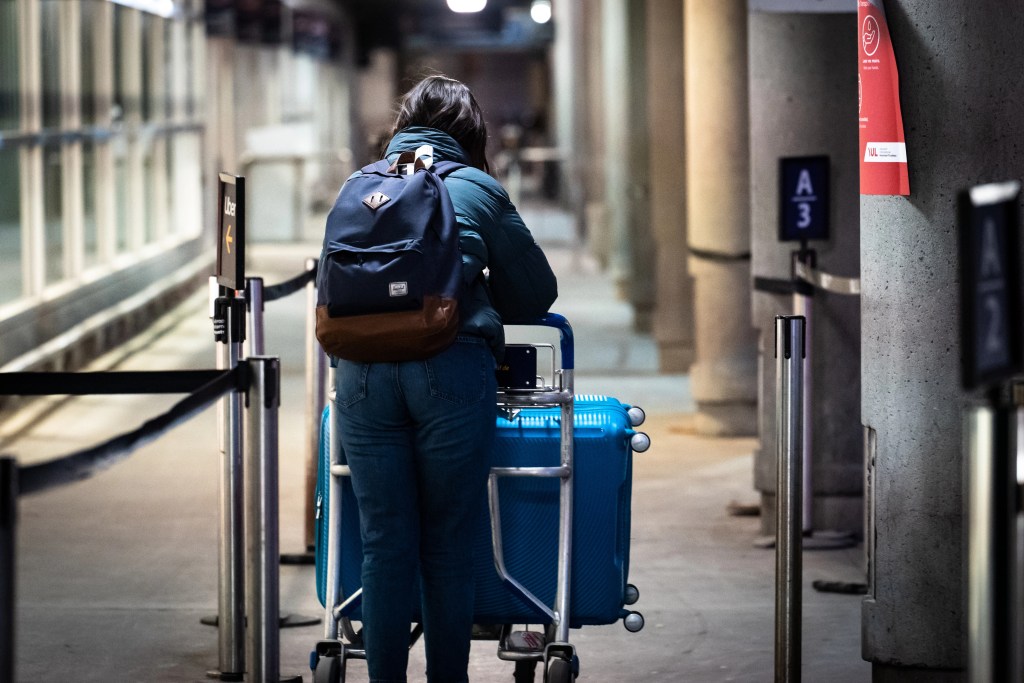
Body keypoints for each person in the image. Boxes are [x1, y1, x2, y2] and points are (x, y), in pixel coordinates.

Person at [333, 75, 558, 683]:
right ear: (472, 133)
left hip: (359, 375)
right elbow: (536, 294)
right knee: (447, 542)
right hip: (450, 370)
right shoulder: (476, 186)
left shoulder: (361, 186)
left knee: (385, 543)